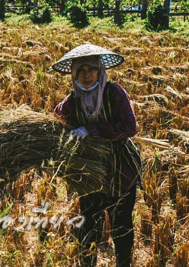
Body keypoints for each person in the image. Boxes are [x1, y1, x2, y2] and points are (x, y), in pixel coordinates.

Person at [53, 44, 142, 267]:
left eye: (91, 69)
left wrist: (92, 130)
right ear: (73, 74)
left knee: (121, 225)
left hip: (120, 168)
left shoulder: (114, 93)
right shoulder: (71, 102)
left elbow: (130, 127)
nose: (87, 74)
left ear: (100, 70)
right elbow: (54, 124)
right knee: (89, 225)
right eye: (81, 70)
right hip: (89, 172)